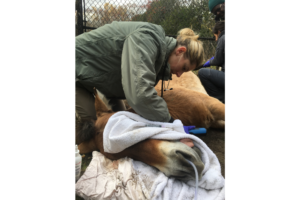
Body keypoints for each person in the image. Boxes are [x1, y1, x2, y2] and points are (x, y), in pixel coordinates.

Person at [74, 21, 204, 123]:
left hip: (93, 77)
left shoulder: (158, 60)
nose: (179, 74)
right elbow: (139, 95)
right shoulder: (147, 39)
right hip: (76, 68)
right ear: (180, 51)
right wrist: (170, 122)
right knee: (93, 127)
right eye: (184, 68)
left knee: (121, 122)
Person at [197, 21, 226, 103]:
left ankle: (221, 99)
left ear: (219, 32)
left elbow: (217, 61)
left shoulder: (223, 37)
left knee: (202, 73)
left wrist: (209, 62)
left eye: (215, 36)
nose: (216, 39)